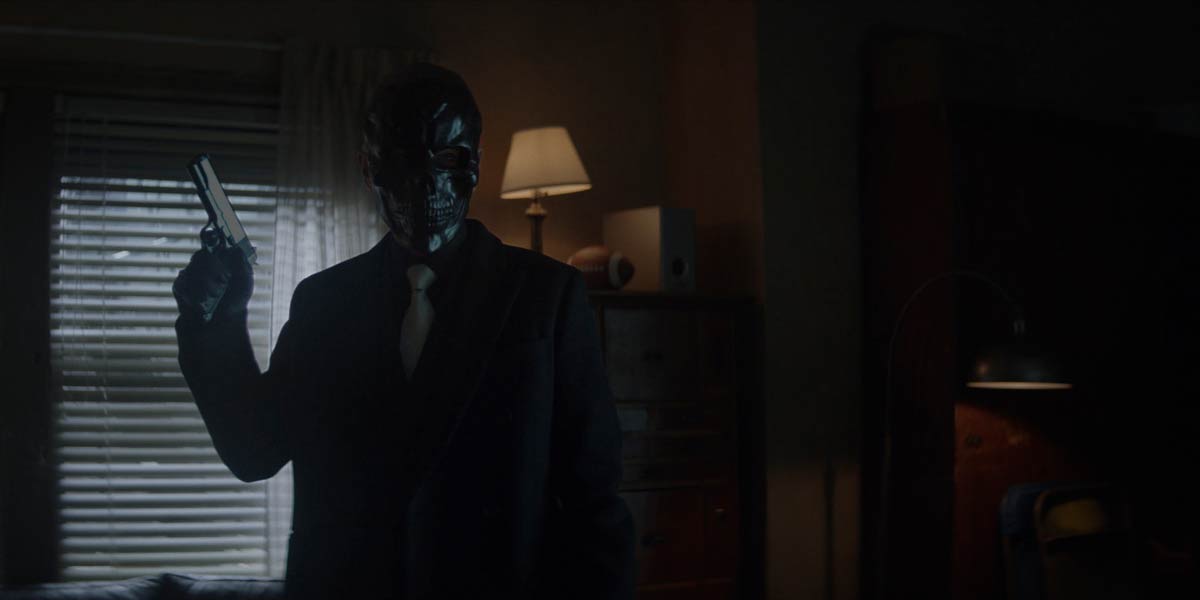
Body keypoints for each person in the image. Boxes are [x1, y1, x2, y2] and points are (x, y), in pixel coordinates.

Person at [172, 63, 635, 600]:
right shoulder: (324, 303)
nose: (428, 182)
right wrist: (215, 322)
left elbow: (593, 500)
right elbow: (253, 450)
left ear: (476, 163)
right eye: (402, 160)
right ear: (367, 168)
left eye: (449, 159)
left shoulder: (546, 297)